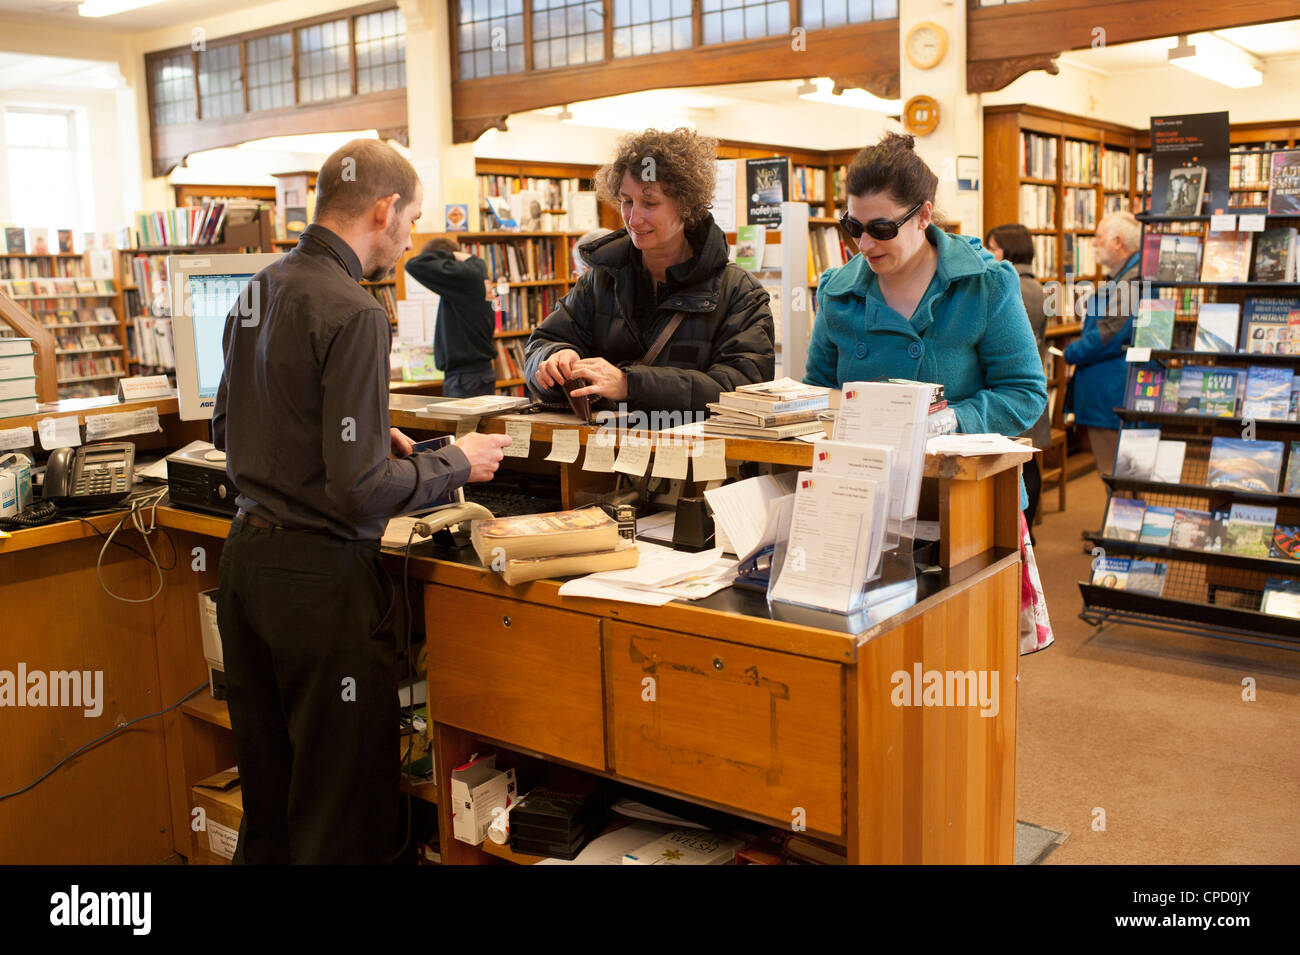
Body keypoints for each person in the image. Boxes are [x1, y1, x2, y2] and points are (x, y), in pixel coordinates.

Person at [212, 139, 511, 864]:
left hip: (246, 568)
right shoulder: (356, 311)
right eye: (409, 219)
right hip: (320, 585)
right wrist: (455, 463)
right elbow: (358, 492)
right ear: (383, 209)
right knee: (339, 809)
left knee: (272, 799)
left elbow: (228, 425)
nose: (409, 238)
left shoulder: (259, 287)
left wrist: (371, 428)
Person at [803, 133, 1047, 442]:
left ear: (923, 215)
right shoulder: (837, 293)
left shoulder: (985, 283)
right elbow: (817, 395)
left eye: (881, 228)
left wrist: (945, 422)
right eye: (853, 227)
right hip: (864, 478)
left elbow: (1024, 394)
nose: (863, 244)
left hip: (961, 481)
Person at [524, 127, 774, 417]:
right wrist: (554, 359)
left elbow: (743, 387)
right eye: (626, 201)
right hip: (605, 454)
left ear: (687, 205)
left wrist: (630, 385)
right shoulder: (601, 278)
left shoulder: (739, 293)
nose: (633, 218)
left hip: (697, 457)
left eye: (650, 203)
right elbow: (540, 344)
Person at [1064, 211, 1142, 477]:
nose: (1094, 243)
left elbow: (1108, 335)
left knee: (1118, 474)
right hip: (1114, 389)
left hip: (1113, 391)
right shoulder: (1127, 276)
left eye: (1099, 237)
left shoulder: (1131, 281)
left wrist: (1071, 352)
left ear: (1117, 242)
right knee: (1126, 474)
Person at [986, 223, 1051, 531]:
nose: (988, 253)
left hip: (1011, 385)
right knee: (1031, 458)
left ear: (1007, 251)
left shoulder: (1007, 287)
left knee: (1021, 462)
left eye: (992, 247)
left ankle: (1022, 525)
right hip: (1034, 375)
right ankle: (1030, 528)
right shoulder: (1041, 287)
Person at [403, 237, 498, 398]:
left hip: (467, 378)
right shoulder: (473, 278)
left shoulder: (467, 278)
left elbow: (413, 264)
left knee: (463, 424)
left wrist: (449, 255)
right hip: (469, 376)